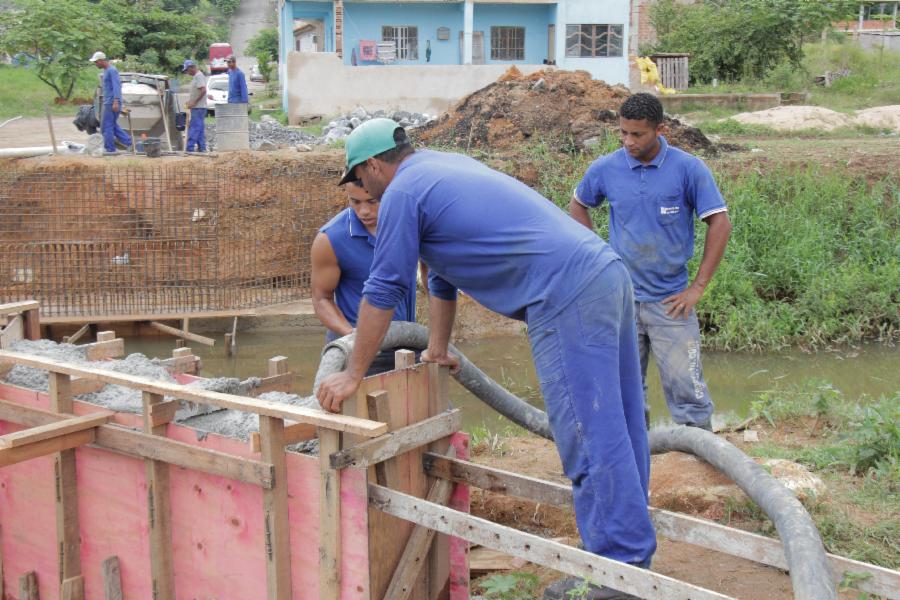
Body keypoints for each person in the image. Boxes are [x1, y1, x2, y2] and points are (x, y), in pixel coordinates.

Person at [316, 118, 656, 597]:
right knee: (617, 421)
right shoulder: (438, 170)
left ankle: (617, 574)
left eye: (355, 177)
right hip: (603, 272)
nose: (358, 188)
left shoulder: (400, 193)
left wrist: (353, 372)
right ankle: (632, 558)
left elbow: (385, 286)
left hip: (564, 292)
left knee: (586, 429)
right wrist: (436, 347)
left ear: (372, 166)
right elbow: (440, 275)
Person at [569, 93, 732, 431]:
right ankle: (636, 456)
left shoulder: (688, 169)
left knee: (687, 387)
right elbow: (578, 204)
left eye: (637, 134)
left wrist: (697, 287)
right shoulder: (606, 168)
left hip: (671, 303)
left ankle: (697, 455)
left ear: (659, 129)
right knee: (624, 390)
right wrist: (596, 256)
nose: (629, 141)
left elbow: (720, 222)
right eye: (623, 133)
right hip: (620, 300)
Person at [311, 180, 417, 374]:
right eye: (355, 202)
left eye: (372, 201)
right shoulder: (332, 238)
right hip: (356, 352)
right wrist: (354, 338)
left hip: (406, 343)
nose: (364, 211)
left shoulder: (406, 225)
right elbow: (321, 299)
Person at [89, 51, 131, 154]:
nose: (95, 64)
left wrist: (116, 101)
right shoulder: (106, 71)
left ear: (101, 61)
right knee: (112, 125)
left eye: (96, 62)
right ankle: (130, 143)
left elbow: (117, 86)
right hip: (109, 102)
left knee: (106, 126)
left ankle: (110, 149)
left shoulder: (112, 70)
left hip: (112, 102)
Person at [182, 59, 207, 152]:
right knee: (199, 127)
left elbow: (203, 90)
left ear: (192, 67)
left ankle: (190, 147)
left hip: (198, 107)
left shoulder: (198, 76)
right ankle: (202, 147)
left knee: (194, 127)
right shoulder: (197, 76)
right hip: (198, 107)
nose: (187, 73)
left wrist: (194, 102)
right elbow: (197, 92)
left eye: (187, 70)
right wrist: (190, 101)